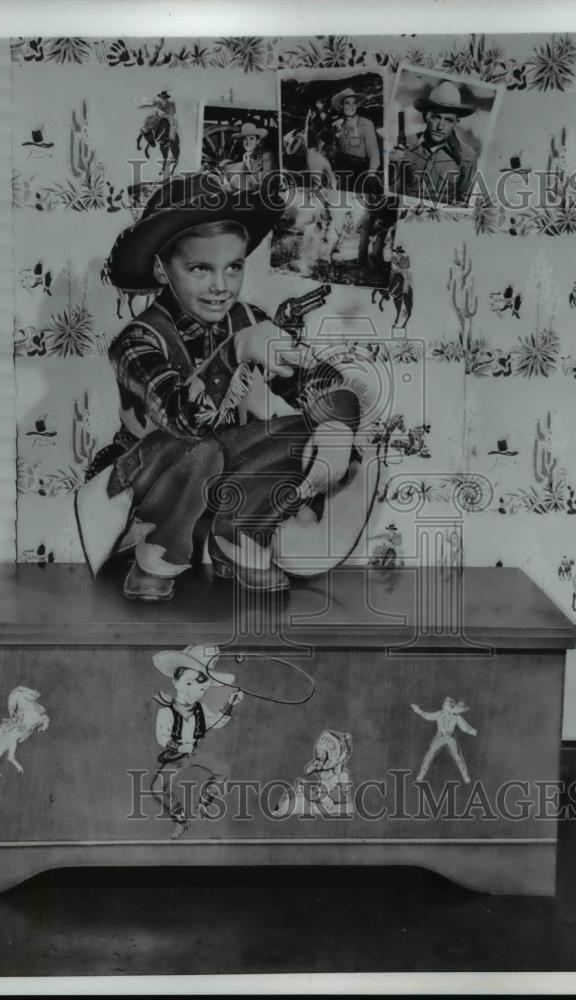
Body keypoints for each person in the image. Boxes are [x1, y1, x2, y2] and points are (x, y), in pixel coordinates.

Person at [75, 172, 364, 601]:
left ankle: (239, 537)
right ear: (161, 268)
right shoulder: (137, 342)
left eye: (233, 266)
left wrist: (336, 426)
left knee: (303, 434)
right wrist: (235, 352)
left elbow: (320, 381)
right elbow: (181, 420)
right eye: (199, 269)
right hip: (149, 481)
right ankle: (157, 556)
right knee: (201, 450)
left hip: (220, 478)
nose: (221, 286)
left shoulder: (249, 320)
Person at [150, 644, 242, 839]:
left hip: (195, 753)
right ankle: (180, 820)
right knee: (157, 788)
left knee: (223, 771)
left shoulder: (200, 709)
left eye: (202, 688)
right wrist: (179, 746)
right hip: (176, 756)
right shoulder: (166, 712)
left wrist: (230, 705)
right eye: (189, 684)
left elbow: (218, 721)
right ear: (175, 681)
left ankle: (204, 803)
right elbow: (162, 738)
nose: (195, 692)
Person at [391, 80, 479, 206]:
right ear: (426, 116)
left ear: (455, 123)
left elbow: (463, 204)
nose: (440, 127)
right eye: (436, 117)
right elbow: (388, 189)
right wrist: (391, 165)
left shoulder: (467, 157)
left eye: (448, 120)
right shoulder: (406, 145)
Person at [329, 87, 380, 189]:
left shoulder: (366, 124)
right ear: (341, 105)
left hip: (360, 173)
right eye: (347, 103)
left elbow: (374, 154)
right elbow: (333, 153)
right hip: (341, 173)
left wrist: (371, 174)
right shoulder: (336, 125)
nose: (351, 106)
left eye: (354, 103)